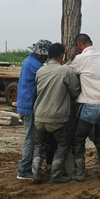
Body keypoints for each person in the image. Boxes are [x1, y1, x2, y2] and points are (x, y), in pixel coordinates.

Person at [32, 43, 80, 184]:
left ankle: (35, 173)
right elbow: (75, 91)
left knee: (39, 145)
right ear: (62, 55)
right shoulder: (65, 71)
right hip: (58, 117)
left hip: (39, 115)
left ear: (48, 55)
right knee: (63, 144)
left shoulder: (40, 71)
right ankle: (56, 174)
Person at [68, 33, 100, 181]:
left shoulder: (81, 58)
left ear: (79, 45)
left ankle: (79, 173)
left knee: (78, 139)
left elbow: (67, 71)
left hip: (88, 105)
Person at [15, 39, 51, 180]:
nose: (47, 57)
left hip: (26, 104)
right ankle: (24, 170)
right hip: (29, 107)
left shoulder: (30, 61)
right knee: (31, 139)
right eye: (46, 55)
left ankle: (28, 168)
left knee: (32, 138)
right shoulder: (35, 66)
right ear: (41, 54)